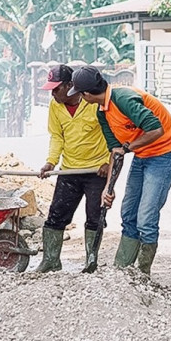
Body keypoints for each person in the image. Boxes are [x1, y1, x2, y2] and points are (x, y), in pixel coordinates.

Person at [67, 65, 171, 275]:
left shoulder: (123, 99)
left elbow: (156, 129)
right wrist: (108, 188)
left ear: (87, 94)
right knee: (128, 213)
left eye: (80, 94)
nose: (80, 98)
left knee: (146, 218)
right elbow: (116, 152)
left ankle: (142, 274)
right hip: (142, 155)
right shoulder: (103, 112)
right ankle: (122, 271)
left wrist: (129, 147)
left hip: (164, 155)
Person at [35, 64, 110, 273]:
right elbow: (57, 136)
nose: (52, 93)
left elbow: (112, 134)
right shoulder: (55, 105)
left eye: (56, 88)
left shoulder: (93, 101)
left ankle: (91, 261)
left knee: (95, 217)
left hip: (96, 171)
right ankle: (51, 261)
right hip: (69, 170)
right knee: (56, 216)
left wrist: (108, 162)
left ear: (69, 86)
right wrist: (51, 162)